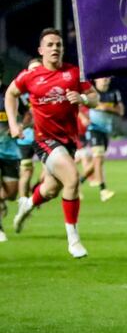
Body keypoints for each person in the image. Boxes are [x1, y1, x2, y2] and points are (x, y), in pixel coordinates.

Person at [5, 28, 99, 258]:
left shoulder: (74, 73)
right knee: (72, 178)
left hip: (69, 141)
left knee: (51, 189)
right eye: (50, 45)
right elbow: (10, 94)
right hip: (45, 140)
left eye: (58, 44)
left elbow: (95, 97)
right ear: (41, 50)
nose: (55, 48)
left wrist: (84, 98)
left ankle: (27, 205)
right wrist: (14, 124)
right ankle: (73, 240)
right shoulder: (30, 76)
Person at [78, 77, 123, 202]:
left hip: (106, 131)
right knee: (98, 159)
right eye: (102, 78)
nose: (105, 80)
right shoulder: (91, 93)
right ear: (96, 80)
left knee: (95, 163)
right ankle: (103, 190)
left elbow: (121, 111)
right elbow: (76, 105)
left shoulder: (114, 93)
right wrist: (83, 117)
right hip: (94, 129)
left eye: (107, 77)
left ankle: (77, 183)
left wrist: (106, 108)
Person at [0, 76, 22, 242]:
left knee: (12, 193)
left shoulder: (12, 93)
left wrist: (18, 126)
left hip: (10, 151)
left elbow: (27, 116)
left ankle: (2, 201)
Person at [16, 58, 42, 199]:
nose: (35, 72)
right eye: (32, 69)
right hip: (26, 138)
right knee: (26, 171)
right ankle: (23, 202)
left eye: (37, 68)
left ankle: (36, 189)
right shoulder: (20, 93)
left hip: (44, 136)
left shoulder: (49, 88)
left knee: (51, 170)